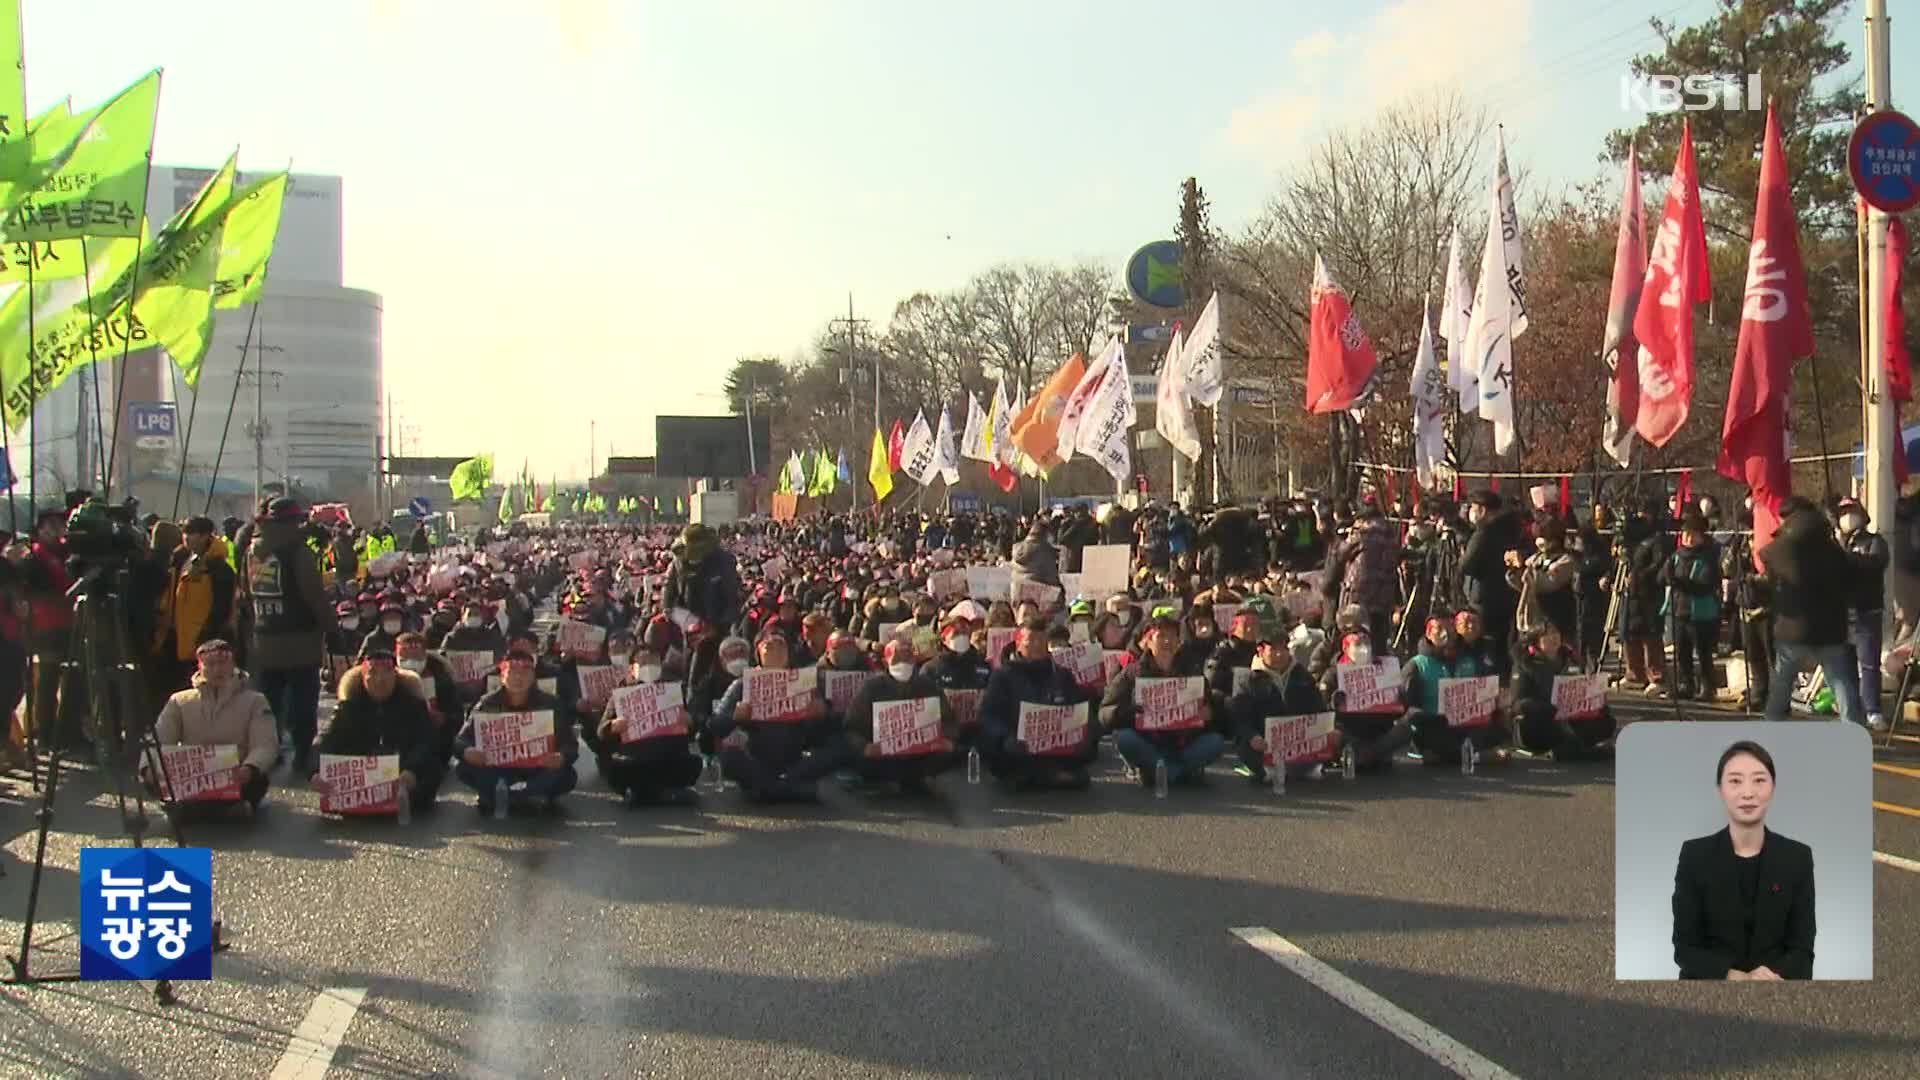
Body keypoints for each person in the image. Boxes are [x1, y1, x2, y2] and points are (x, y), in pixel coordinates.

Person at [1671, 740, 1815, 980]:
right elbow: (1685, 949)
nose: (1748, 793)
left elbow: (1802, 949)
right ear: (1720, 790)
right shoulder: (1695, 855)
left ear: (1773, 787)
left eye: (1759, 780)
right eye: (1735, 781)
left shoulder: (1797, 857)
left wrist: (1773, 976)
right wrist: (1731, 975)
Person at [246, 498, 339, 774]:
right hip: (300, 640)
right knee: (302, 701)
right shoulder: (297, 552)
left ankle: (267, 754)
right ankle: (301, 755)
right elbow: (314, 596)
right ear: (294, 522)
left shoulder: (253, 550)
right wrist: (331, 629)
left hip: (264, 638)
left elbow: (245, 592)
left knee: (268, 703)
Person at [1761, 497, 1870, 730]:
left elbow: (1764, 558)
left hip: (1792, 628)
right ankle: (1852, 728)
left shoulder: (1781, 547)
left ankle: (1772, 724)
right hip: (1830, 628)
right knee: (1841, 682)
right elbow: (1851, 577)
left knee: (1782, 681)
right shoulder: (1831, 548)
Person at [709, 631, 847, 803]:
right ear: (759, 654)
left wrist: (822, 712)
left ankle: (772, 788)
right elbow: (714, 726)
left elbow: (829, 729)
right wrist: (735, 717)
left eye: (781, 646)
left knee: (839, 748)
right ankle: (785, 787)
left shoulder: (803, 681)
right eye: (769, 647)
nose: (776, 651)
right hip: (758, 761)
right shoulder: (743, 684)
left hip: (796, 761)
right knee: (729, 756)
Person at [149, 640, 274, 814]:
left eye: (223, 663)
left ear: (233, 665)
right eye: (210, 664)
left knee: (257, 779)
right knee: (151, 776)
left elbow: (265, 744)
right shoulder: (178, 701)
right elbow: (159, 738)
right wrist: (149, 767)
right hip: (193, 778)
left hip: (238, 775)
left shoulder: (255, 701)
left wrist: (249, 768)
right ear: (200, 667)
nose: (217, 670)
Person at [316, 647, 445, 814]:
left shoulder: (413, 705)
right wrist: (315, 772)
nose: (380, 680)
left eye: (386, 673)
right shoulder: (348, 706)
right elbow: (324, 739)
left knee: (431, 769)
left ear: (396, 677)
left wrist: (412, 770)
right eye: (373, 673)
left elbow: (426, 741)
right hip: (360, 777)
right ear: (363, 678)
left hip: (403, 770)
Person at [1101, 615, 1225, 789]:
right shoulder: (1132, 672)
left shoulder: (1192, 670)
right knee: (1124, 739)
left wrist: (1209, 713)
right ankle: (1177, 772)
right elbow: (1105, 711)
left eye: (1173, 636)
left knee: (1215, 743)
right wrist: (1128, 712)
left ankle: (1165, 772)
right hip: (1149, 743)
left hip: (1184, 745)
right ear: (1148, 642)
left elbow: (1212, 706)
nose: (1167, 641)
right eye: (1161, 636)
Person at [978, 615, 1098, 790]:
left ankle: (1046, 775)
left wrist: (1086, 733)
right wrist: (1005, 737)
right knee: (997, 747)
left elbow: (1079, 708)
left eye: (1042, 640)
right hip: (1018, 745)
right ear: (1019, 643)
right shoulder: (1002, 676)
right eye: (1031, 640)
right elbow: (989, 715)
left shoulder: (1062, 675)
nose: (1037, 645)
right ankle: (1045, 776)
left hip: (1056, 745)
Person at [455, 648, 579, 814]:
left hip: (537, 768)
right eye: (513, 672)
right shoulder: (486, 703)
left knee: (567, 775)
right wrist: (468, 751)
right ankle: (523, 796)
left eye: (525, 672)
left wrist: (560, 757)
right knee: (464, 768)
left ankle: (511, 795)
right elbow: (461, 740)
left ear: (533, 676)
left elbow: (570, 744)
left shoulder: (551, 703)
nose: (519, 678)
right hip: (498, 768)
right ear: (503, 676)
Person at [842, 639, 960, 794]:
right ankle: (887, 780)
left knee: (952, 754)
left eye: (908, 657)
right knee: (859, 759)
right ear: (886, 661)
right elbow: (851, 727)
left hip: (919, 755)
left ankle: (912, 780)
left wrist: (948, 740)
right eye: (898, 658)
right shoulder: (871, 687)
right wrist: (865, 747)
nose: (903, 662)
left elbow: (949, 720)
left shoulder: (928, 685)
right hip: (881, 756)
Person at [592, 646, 703, 806]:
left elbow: (690, 732)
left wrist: (690, 722)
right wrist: (613, 726)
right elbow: (601, 732)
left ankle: (653, 791)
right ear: (632, 668)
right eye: (643, 663)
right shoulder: (622, 695)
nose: (649, 667)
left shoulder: (673, 692)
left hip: (669, 757)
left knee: (692, 763)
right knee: (615, 769)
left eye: (653, 662)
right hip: (635, 760)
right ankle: (653, 790)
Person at [153, 516, 238, 702]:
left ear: (206, 536)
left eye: (193, 533)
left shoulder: (218, 568)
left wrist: (208, 634)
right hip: (178, 639)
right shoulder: (181, 561)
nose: (187, 537)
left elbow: (222, 607)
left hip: (203, 641)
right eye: (185, 532)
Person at [1228, 636, 1329, 783]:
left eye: (1283, 649)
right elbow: (1240, 718)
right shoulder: (1247, 679)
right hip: (1263, 744)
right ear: (1261, 650)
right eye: (1273, 649)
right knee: (1250, 751)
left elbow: (1318, 709)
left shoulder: (1302, 675)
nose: (1279, 654)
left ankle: (1301, 767)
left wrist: (1328, 729)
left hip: (1298, 743)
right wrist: (1252, 737)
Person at [1509, 624, 1614, 760]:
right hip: (1544, 719)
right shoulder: (1524, 663)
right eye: (1548, 635)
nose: (1554, 638)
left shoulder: (1571, 658)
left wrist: (1596, 700)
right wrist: (1553, 708)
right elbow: (1519, 703)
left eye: (1556, 633)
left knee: (1605, 720)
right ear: (1536, 640)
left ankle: (1577, 748)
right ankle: (1581, 751)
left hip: (1572, 716)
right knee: (1545, 727)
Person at [1457, 491, 1525, 679]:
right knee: (1502, 645)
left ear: (1483, 510)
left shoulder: (1483, 533)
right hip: (1506, 595)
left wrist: (1462, 556)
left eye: (1473, 508)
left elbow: (1467, 564)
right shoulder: (1510, 529)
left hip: (1483, 596)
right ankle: (1503, 683)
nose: (1470, 512)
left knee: (1485, 647)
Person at [1836, 500, 1890, 730]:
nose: (1847, 517)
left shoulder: (1875, 542)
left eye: (1851, 512)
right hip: (1842, 613)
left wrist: (1846, 556)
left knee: (1868, 663)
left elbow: (1874, 565)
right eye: (1843, 513)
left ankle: (1873, 709)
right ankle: (1852, 709)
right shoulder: (1838, 545)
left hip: (1867, 612)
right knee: (1845, 664)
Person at [1661, 514, 1723, 702]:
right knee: (1682, 651)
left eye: (1693, 534)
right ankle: (1685, 684)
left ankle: (1707, 687)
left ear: (1701, 536)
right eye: (1686, 534)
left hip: (1701, 612)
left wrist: (1679, 581)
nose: (1689, 538)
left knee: (1703, 652)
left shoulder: (1708, 557)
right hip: (1680, 609)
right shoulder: (1677, 556)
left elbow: (1704, 585)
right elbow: (1663, 577)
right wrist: (1666, 575)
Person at [394, 631, 462, 759]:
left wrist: (445, 720)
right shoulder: (385, 679)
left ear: (425, 657)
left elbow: (458, 717)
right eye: (405, 659)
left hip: (435, 749)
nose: (411, 663)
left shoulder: (442, 680)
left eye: (416, 658)